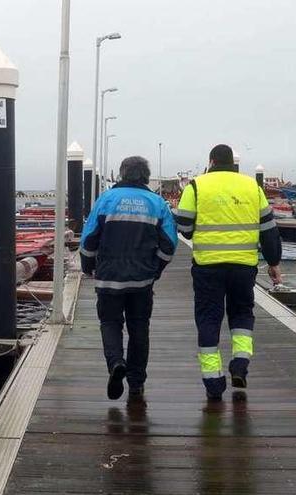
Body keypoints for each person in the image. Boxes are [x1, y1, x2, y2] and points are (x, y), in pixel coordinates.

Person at [175, 144, 283, 400]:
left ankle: (213, 382)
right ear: (233, 163)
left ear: (211, 161)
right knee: (242, 314)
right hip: (244, 267)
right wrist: (274, 263)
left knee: (208, 319)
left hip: (207, 266)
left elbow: (184, 226)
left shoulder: (196, 186)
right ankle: (240, 365)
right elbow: (269, 230)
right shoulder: (252, 187)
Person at [80, 156, 177, 401]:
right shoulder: (158, 203)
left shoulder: (106, 200)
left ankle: (115, 363)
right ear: (145, 176)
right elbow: (170, 244)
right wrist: (156, 269)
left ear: (122, 174)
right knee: (139, 328)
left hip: (108, 278)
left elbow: (88, 240)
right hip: (142, 280)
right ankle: (136, 383)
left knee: (110, 323)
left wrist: (88, 266)